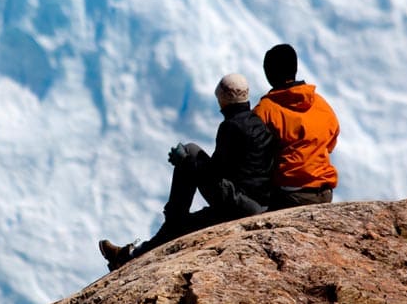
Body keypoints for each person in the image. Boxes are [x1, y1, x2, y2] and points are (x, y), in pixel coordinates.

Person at [98, 73, 277, 271]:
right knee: (184, 224)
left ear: (222, 98)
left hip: (240, 205)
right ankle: (131, 252)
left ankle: (161, 226)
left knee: (189, 154)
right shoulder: (257, 122)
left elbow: (213, 174)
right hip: (258, 202)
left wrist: (184, 161)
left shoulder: (231, 128)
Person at [254, 44, 340, 209]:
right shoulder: (320, 103)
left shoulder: (265, 109)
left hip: (289, 195)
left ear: (269, 73)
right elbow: (330, 145)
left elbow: (255, 155)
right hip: (324, 192)